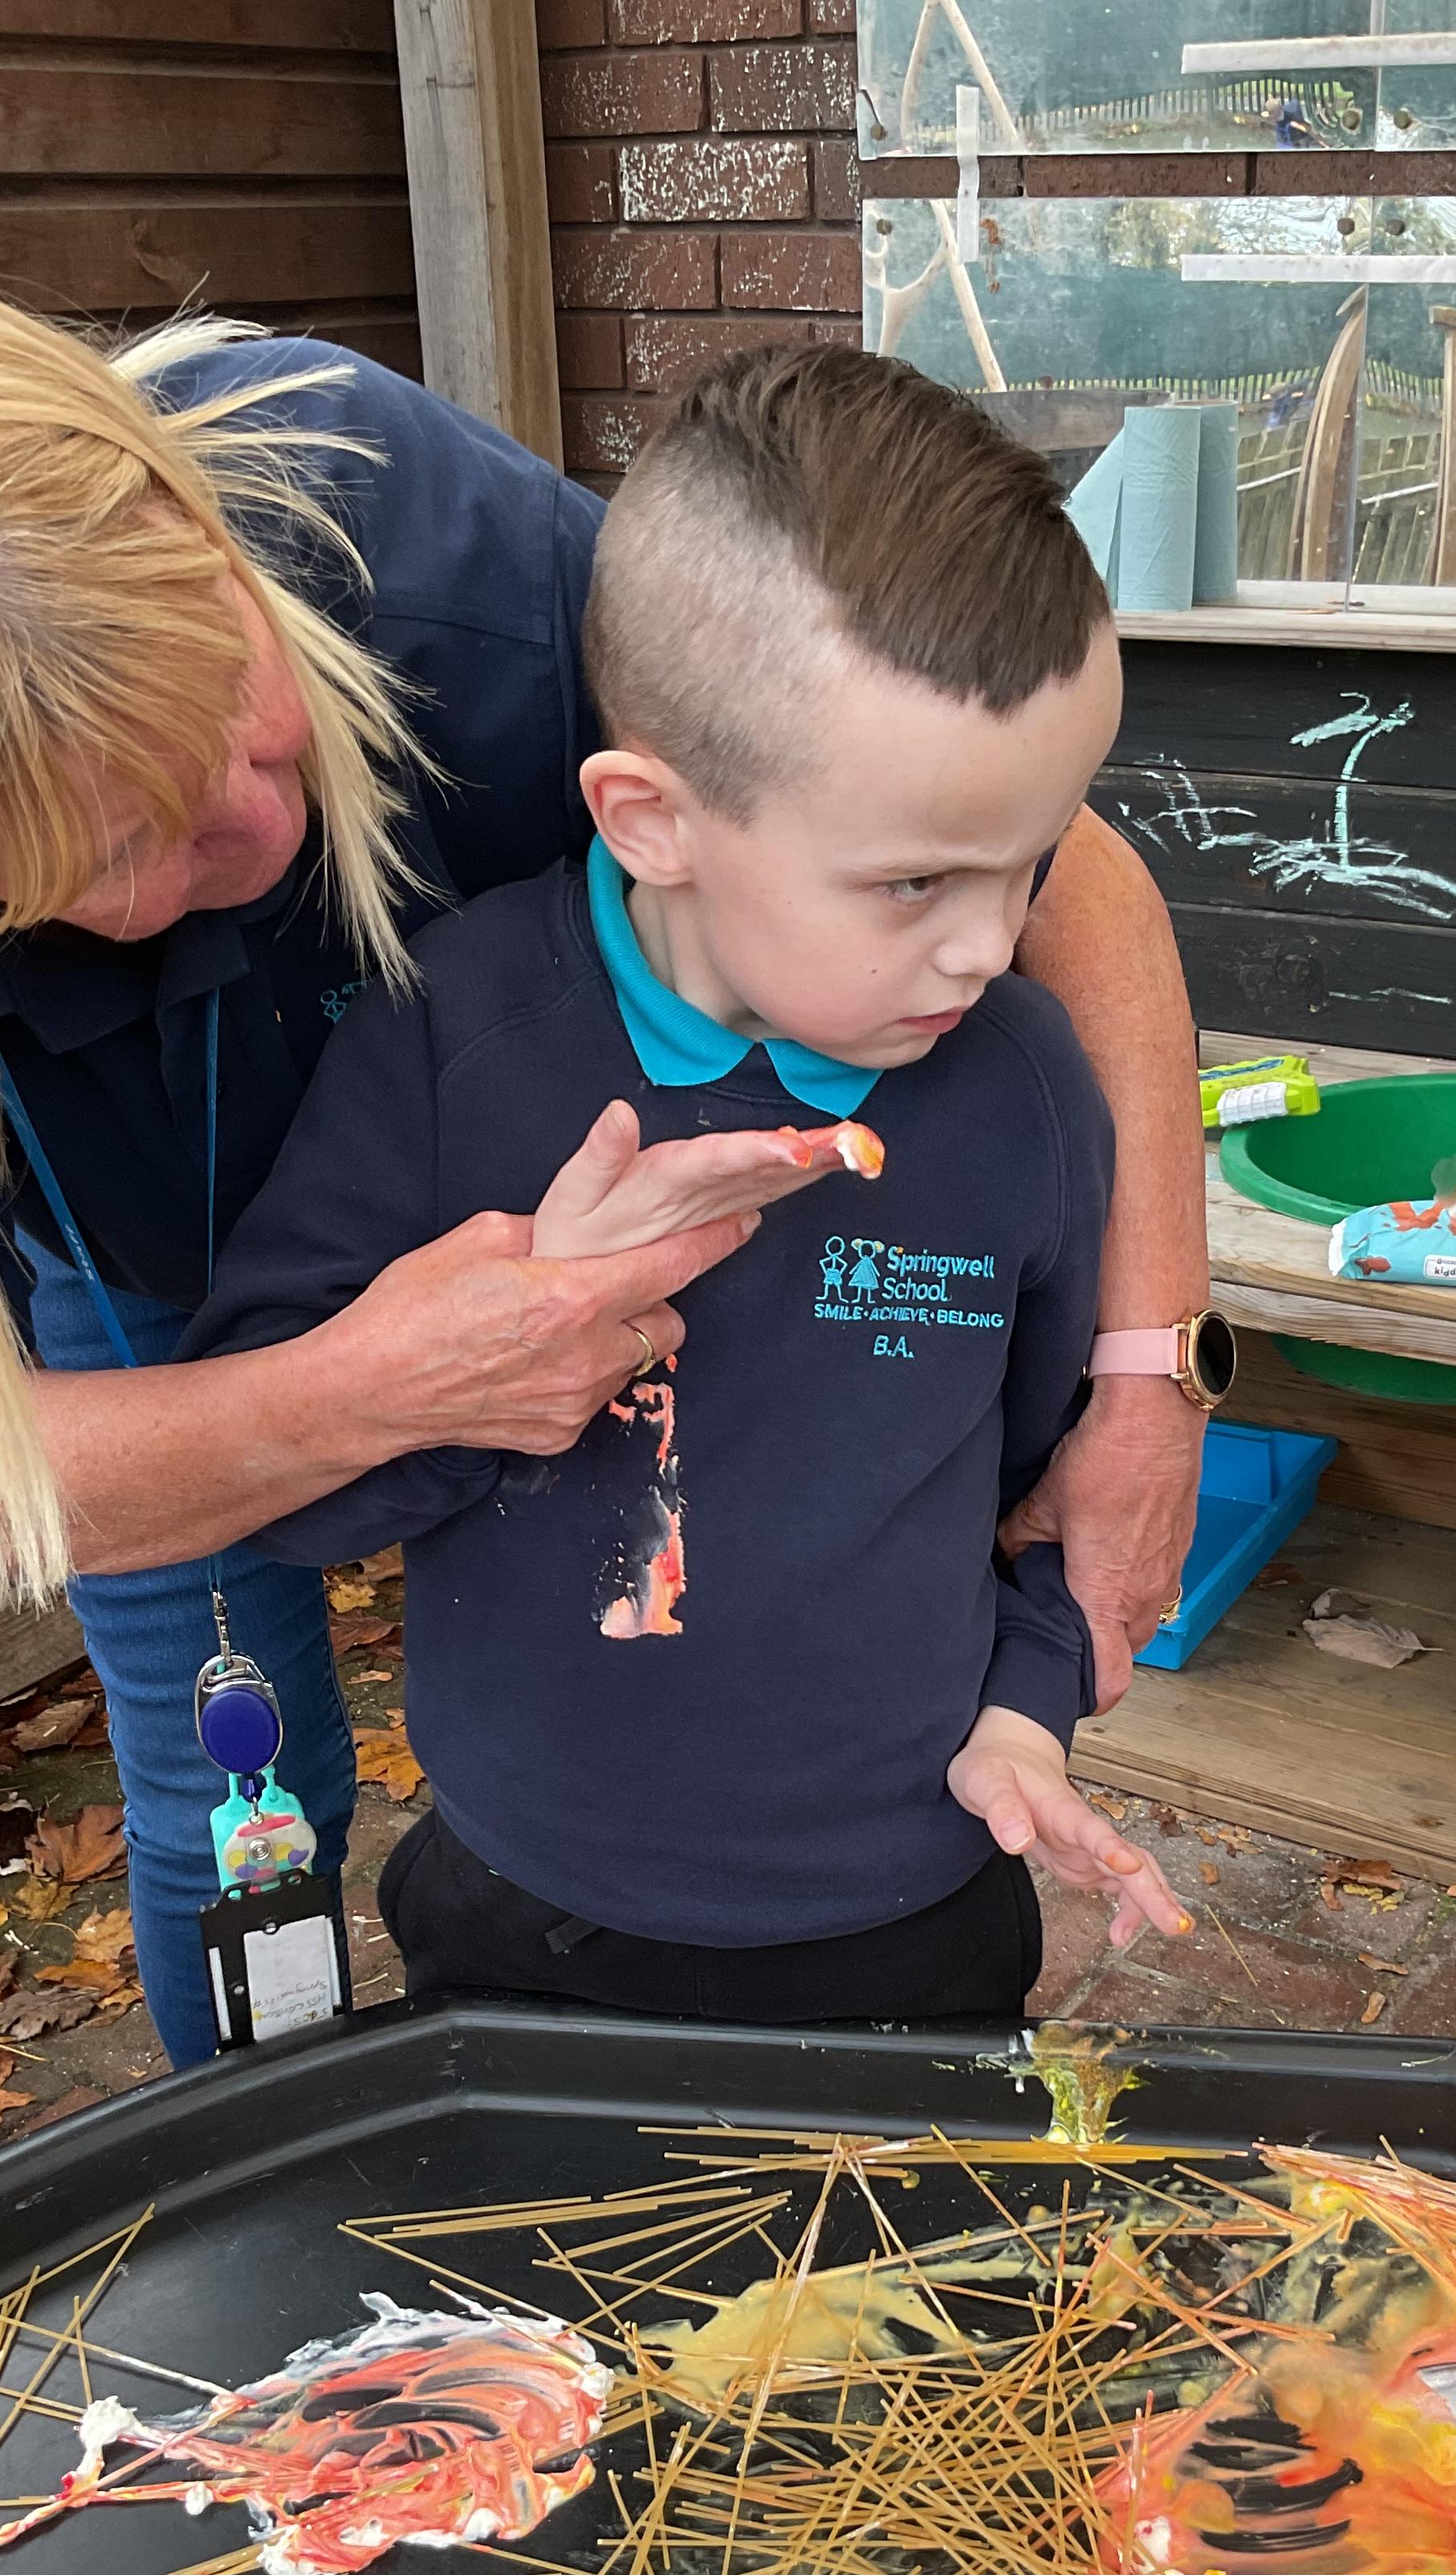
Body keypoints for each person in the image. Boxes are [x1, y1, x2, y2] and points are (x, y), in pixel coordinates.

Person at [0, 248, 1207, 2068]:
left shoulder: (388, 513)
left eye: (231, 688)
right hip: (158, 1268)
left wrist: (1151, 1371)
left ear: (194, 517)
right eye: (128, 839)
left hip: (843, 1828)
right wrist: (380, 1391)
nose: (261, 815)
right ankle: (276, 2172)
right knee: (234, 1791)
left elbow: (1019, 840)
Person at [184, 347, 1194, 2027]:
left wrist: (1027, 1721)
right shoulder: (453, 1041)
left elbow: (1045, 1488)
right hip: (527, 1909)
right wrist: (500, 1349)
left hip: (918, 1904)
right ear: (651, 820)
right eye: (914, 882)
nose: (989, 944)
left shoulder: (1021, 1088)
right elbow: (283, 1487)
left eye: (1032, 860)